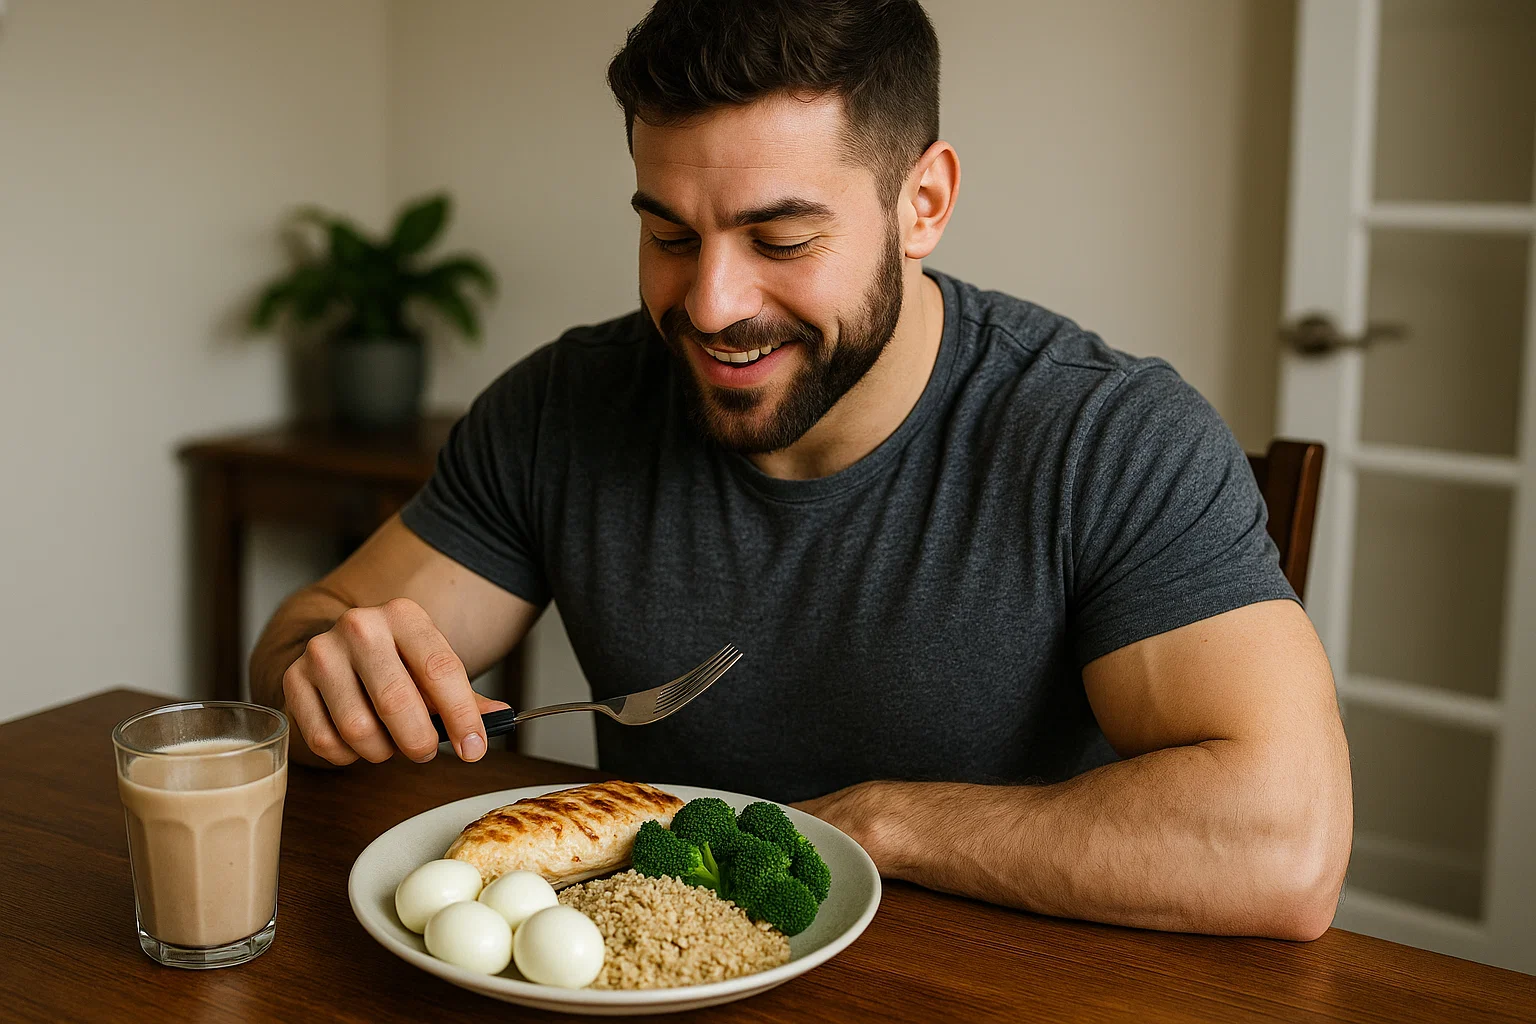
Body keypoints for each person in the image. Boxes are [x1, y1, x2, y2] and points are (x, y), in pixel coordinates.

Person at [251, 0, 1351, 941]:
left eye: (779, 240)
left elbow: (1287, 844)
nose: (711, 304)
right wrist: (325, 674)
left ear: (922, 203)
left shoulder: (1108, 436)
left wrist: (871, 825)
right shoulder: (563, 406)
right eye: (670, 235)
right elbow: (310, 634)